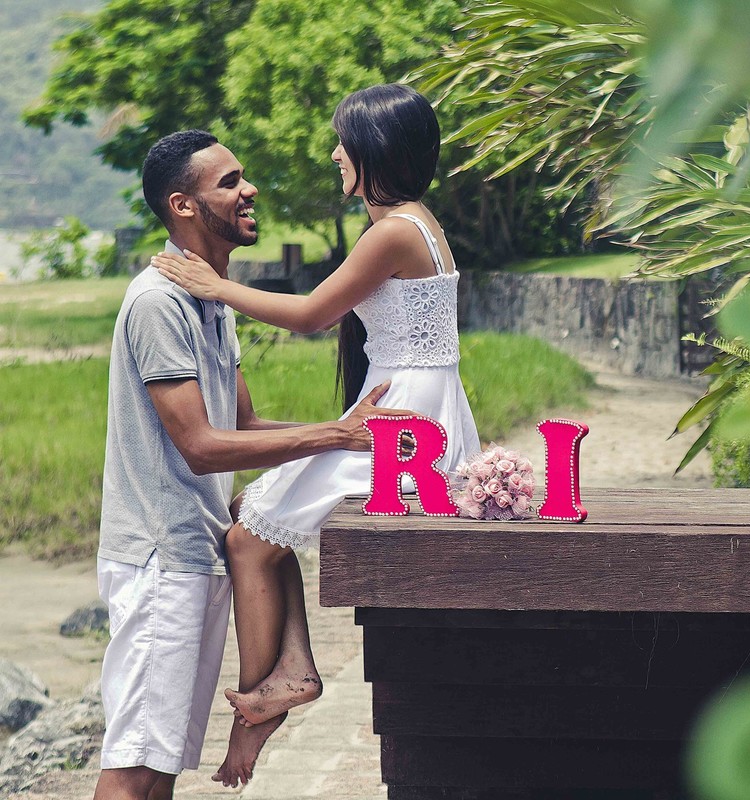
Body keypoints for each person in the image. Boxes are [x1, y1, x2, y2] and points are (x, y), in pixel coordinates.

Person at [151, 84, 481, 787]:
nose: (335, 154)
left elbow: (310, 315)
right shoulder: (409, 222)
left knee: (246, 537)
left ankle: (261, 707)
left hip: (404, 415)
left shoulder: (394, 230)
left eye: (343, 142)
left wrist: (213, 286)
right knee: (255, 521)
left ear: (373, 152)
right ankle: (292, 673)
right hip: (413, 402)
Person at [94, 130, 415, 800]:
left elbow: (242, 427)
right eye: (229, 181)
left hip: (193, 553)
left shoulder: (211, 299)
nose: (250, 190)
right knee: (133, 773)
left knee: (157, 771)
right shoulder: (158, 303)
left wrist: (353, 437)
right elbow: (202, 444)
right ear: (182, 206)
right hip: (161, 559)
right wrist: (333, 434)